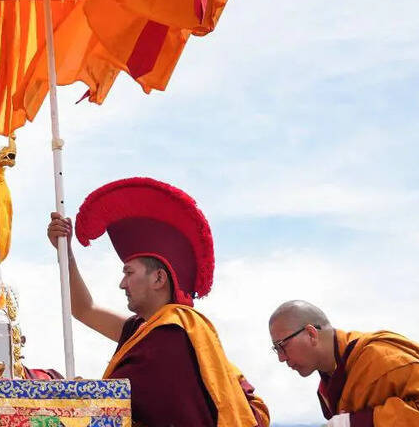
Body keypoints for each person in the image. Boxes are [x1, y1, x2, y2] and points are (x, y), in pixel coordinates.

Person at [46, 177, 269, 427]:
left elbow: (136, 399)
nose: (122, 284)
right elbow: (85, 309)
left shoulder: (176, 330)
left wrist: (85, 396)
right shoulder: (142, 330)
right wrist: (65, 254)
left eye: (128, 273)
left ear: (159, 278)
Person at [268, 300, 419, 426]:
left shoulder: (379, 357)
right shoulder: (328, 385)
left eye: (282, 346)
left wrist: (359, 422)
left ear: (311, 334)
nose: (281, 358)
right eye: (276, 350)